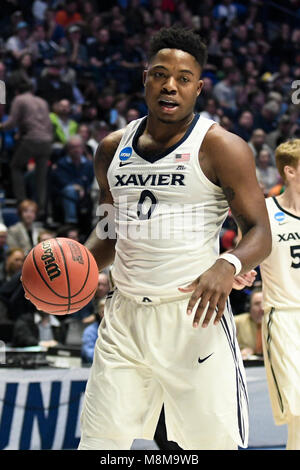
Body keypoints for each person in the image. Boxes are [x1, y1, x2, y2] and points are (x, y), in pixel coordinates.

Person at [78, 26, 271, 451]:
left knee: (210, 447)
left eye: (183, 78)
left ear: (198, 88)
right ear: (144, 77)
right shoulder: (111, 148)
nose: (170, 85)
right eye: (160, 74)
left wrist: (229, 264)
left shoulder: (221, 147)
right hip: (124, 317)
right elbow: (110, 230)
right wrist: (75, 271)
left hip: (193, 316)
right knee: (99, 444)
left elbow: (258, 231)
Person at [259, 139, 300, 450]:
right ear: (290, 171)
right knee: (298, 408)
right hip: (284, 317)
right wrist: (241, 271)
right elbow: (245, 254)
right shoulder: (265, 212)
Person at [0, 81, 53, 219]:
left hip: (31, 140)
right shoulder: (42, 101)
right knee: (41, 176)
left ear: (17, 91)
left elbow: (12, 121)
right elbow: (46, 123)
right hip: (46, 141)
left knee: (15, 166)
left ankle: (22, 202)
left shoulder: (19, 99)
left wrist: (1, 126)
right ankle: (40, 209)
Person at [235, 288, 264, 360]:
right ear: (249, 307)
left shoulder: (276, 324)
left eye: (264, 303)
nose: (262, 308)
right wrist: (239, 352)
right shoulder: (236, 322)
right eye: (257, 304)